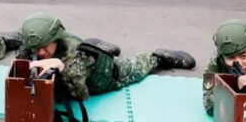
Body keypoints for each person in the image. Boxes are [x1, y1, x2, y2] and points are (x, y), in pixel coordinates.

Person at [16, 12, 196, 101]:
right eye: (36, 48)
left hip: (107, 75)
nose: (40, 53)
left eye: (45, 47)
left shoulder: (74, 56)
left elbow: (81, 95)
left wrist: (60, 66)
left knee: (135, 66)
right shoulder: (35, 44)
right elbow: (20, 63)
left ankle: (158, 57)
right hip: (86, 58)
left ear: (56, 38)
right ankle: (96, 48)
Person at [202, 19, 246, 115]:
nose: (239, 63)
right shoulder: (217, 60)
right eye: (231, 58)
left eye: (243, 56)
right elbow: (209, 105)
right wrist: (232, 93)